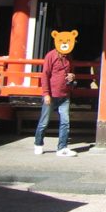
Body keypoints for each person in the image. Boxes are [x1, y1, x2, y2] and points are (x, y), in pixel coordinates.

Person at [34, 29, 79, 157]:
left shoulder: (69, 57)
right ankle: (38, 143)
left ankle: (62, 147)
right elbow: (45, 75)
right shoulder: (51, 55)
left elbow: (71, 72)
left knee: (65, 122)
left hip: (65, 94)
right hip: (51, 94)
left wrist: (72, 76)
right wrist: (46, 93)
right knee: (44, 122)